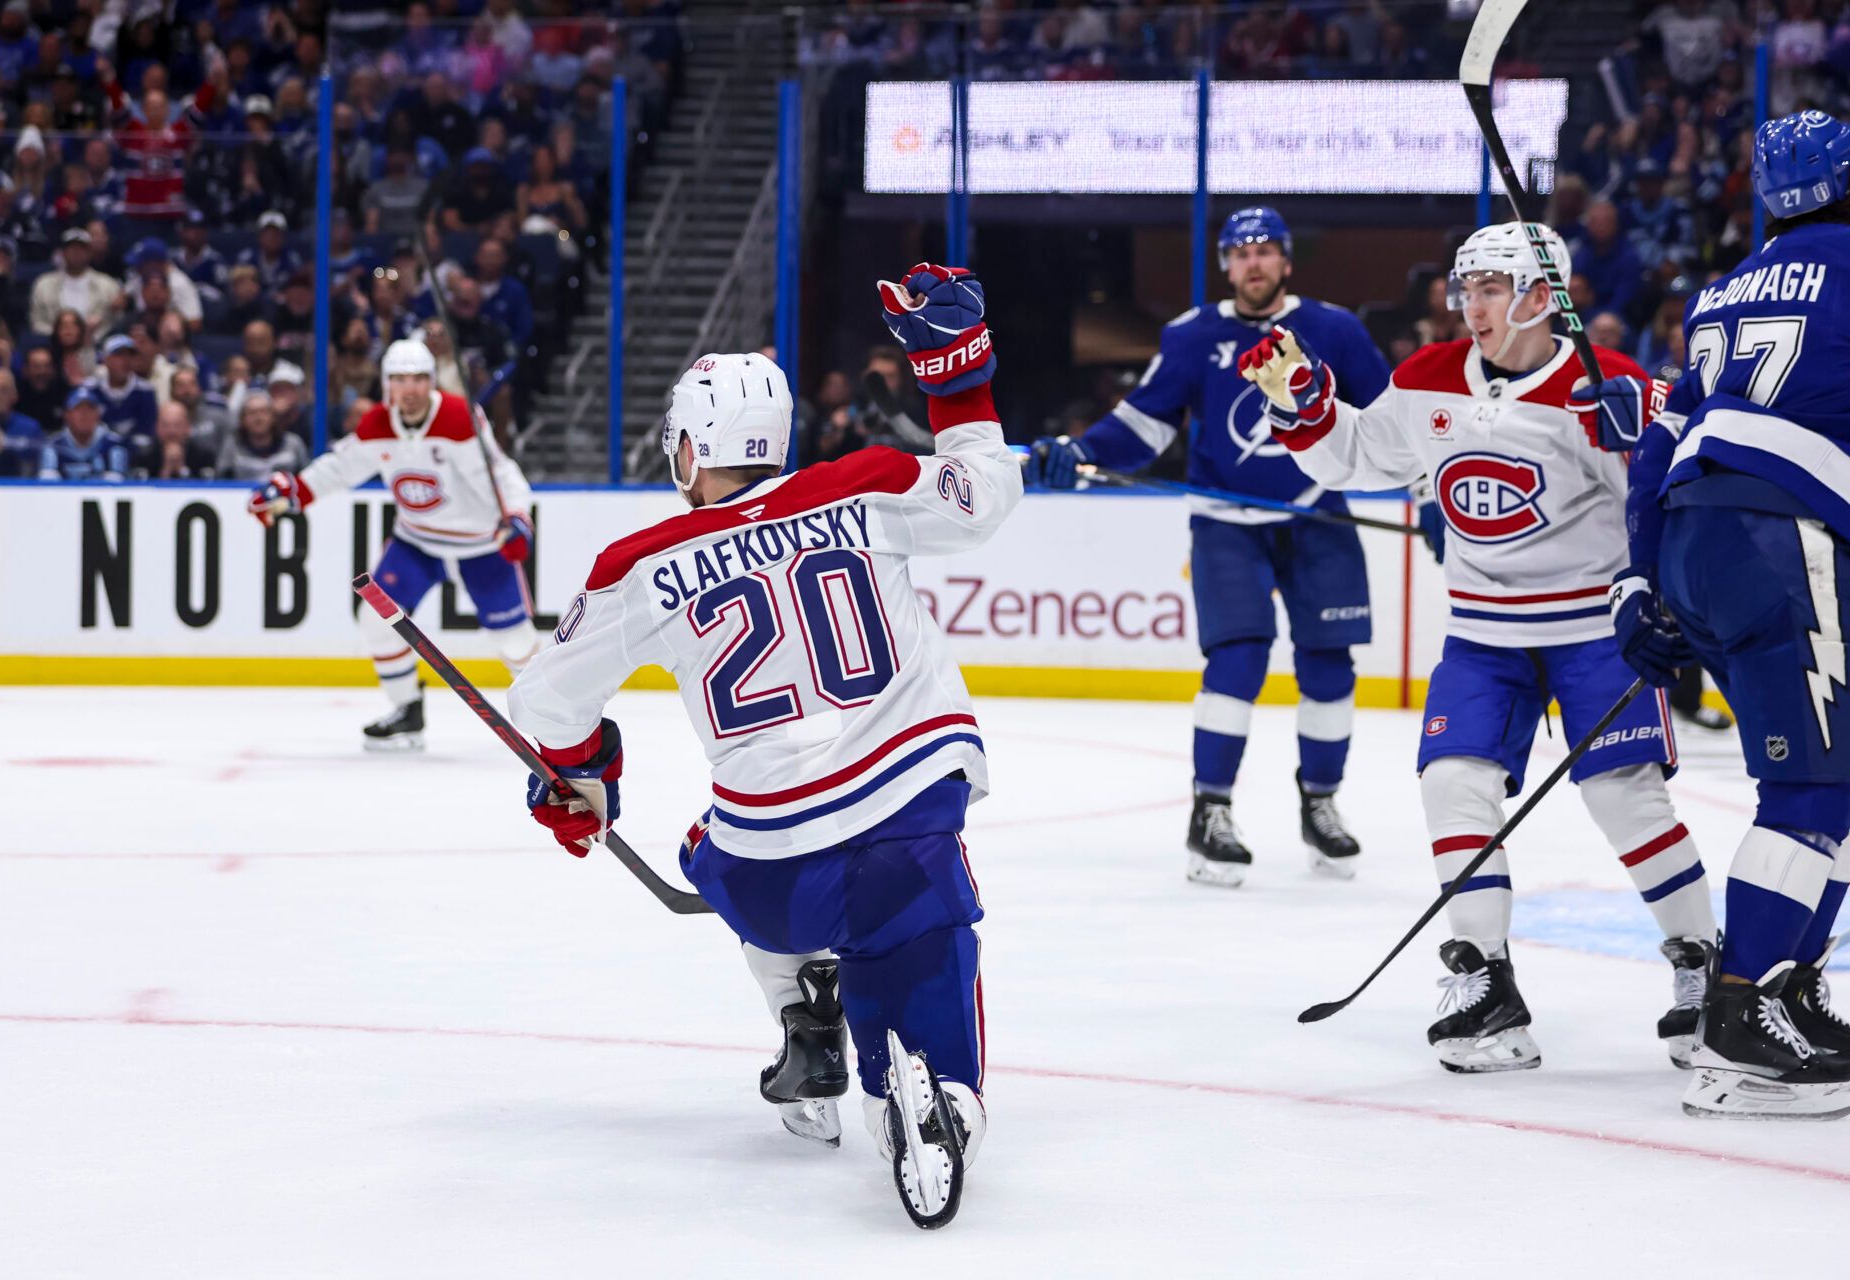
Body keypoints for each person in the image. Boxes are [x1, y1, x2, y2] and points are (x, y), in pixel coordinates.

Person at [504, 265, 1018, 1229]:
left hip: (775, 859)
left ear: (691, 447)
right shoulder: (863, 483)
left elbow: (549, 697)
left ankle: (804, 1008)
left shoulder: (641, 561)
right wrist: (958, 380)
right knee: (919, 948)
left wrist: (580, 778)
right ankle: (941, 1100)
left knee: (711, 850)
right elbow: (984, 494)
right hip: (910, 814)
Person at [1237, 221, 1717, 1074]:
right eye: (1466, 288)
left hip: (1591, 629)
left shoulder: (1607, 385)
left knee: (1624, 797)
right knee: (1453, 785)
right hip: (1483, 634)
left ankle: (1701, 964)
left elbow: (1673, 505)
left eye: (1490, 288)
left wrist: (1649, 445)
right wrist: (1305, 405)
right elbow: (1354, 455)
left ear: (1542, 297)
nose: (1471, 305)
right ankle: (1485, 981)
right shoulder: (1426, 379)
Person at [1025, 207, 1396, 887]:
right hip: (1226, 519)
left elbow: (1392, 420)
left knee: (1329, 668)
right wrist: (1080, 452)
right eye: (1240, 252)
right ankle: (1212, 812)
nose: (1253, 263)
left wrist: (1431, 490)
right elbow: (1144, 422)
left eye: (1265, 251)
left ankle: (1321, 804)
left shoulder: (1334, 329)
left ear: (1286, 261)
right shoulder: (1193, 335)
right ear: (1226, 265)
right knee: (1238, 658)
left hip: (1318, 515)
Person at [1616, 111, 1850, 1119]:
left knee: (1836, 776)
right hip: (1780, 538)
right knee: (1811, 784)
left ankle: (1788, 986)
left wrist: (1640, 582)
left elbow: (1657, 447)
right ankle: (1740, 1011)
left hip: (1694, 539)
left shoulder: (1717, 292)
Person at [246, 338, 536, 751]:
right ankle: (407, 711)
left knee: (515, 641)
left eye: (419, 378)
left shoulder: (458, 418)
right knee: (375, 621)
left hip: (480, 545)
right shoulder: (378, 425)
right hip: (417, 540)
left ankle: (547, 719)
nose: (411, 389)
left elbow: (501, 473)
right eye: (400, 379)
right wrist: (293, 490)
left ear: (432, 382)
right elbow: (340, 467)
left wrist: (517, 520)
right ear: (387, 385)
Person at [29, 226, 123, 339]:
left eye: (81, 248)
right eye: (71, 248)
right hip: (53, 346)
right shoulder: (43, 284)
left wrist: (90, 336)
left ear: (90, 252)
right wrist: (62, 336)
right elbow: (36, 321)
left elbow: (116, 320)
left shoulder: (108, 285)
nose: (76, 252)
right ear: (63, 253)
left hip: (97, 344)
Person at [39, 386, 128, 480]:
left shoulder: (114, 445)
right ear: (67, 415)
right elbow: (47, 483)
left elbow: (117, 484)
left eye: (90, 409)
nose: (84, 414)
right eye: (78, 409)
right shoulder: (54, 446)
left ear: (98, 414)